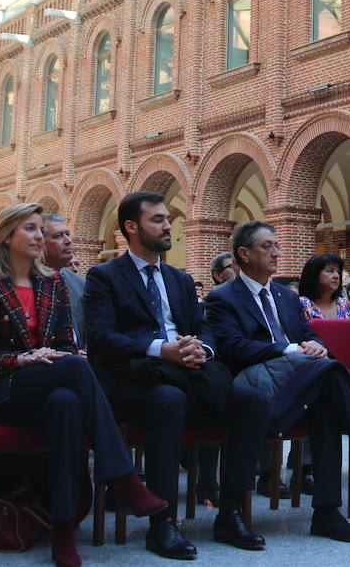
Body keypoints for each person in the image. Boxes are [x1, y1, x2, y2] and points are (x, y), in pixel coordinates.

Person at [206, 221, 350, 543]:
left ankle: (327, 513)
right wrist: (290, 350)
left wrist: (318, 347)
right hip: (256, 380)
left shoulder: (284, 297)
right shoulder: (222, 298)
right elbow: (233, 348)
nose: (276, 252)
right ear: (244, 254)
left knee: (327, 400)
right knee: (330, 375)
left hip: (301, 379)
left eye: (277, 245)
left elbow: (308, 336)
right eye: (268, 246)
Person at [0, 203, 165, 567]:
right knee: (71, 373)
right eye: (30, 228)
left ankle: (62, 529)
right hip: (2, 390)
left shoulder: (52, 283)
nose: (39, 236)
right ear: (7, 235)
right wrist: (24, 359)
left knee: (66, 403)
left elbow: (67, 345)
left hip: (52, 385)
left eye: (41, 229)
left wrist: (62, 357)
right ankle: (122, 478)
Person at [82, 191, 267, 558]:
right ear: (132, 227)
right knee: (169, 399)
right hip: (134, 379)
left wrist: (202, 348)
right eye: (158, 220)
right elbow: (103, 339)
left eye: (168, 218)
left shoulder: (179, 280)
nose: (168, 225)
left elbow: (204, 327)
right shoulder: (104, 276)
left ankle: (230, 511)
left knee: (252, 401)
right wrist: (160, 349)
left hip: (189, 372)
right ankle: (162, 521)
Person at [41, 214, 85, 349]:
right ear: (39, 242)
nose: (68, 241)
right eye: (58, 236)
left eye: (68, 234)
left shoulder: (81, 284)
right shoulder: (25, 282)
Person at [298, 253, 350, 321]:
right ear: (314, 275)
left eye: (338, 272)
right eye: (330, 271)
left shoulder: (345, 305)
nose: (336, 276)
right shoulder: (301, 305)